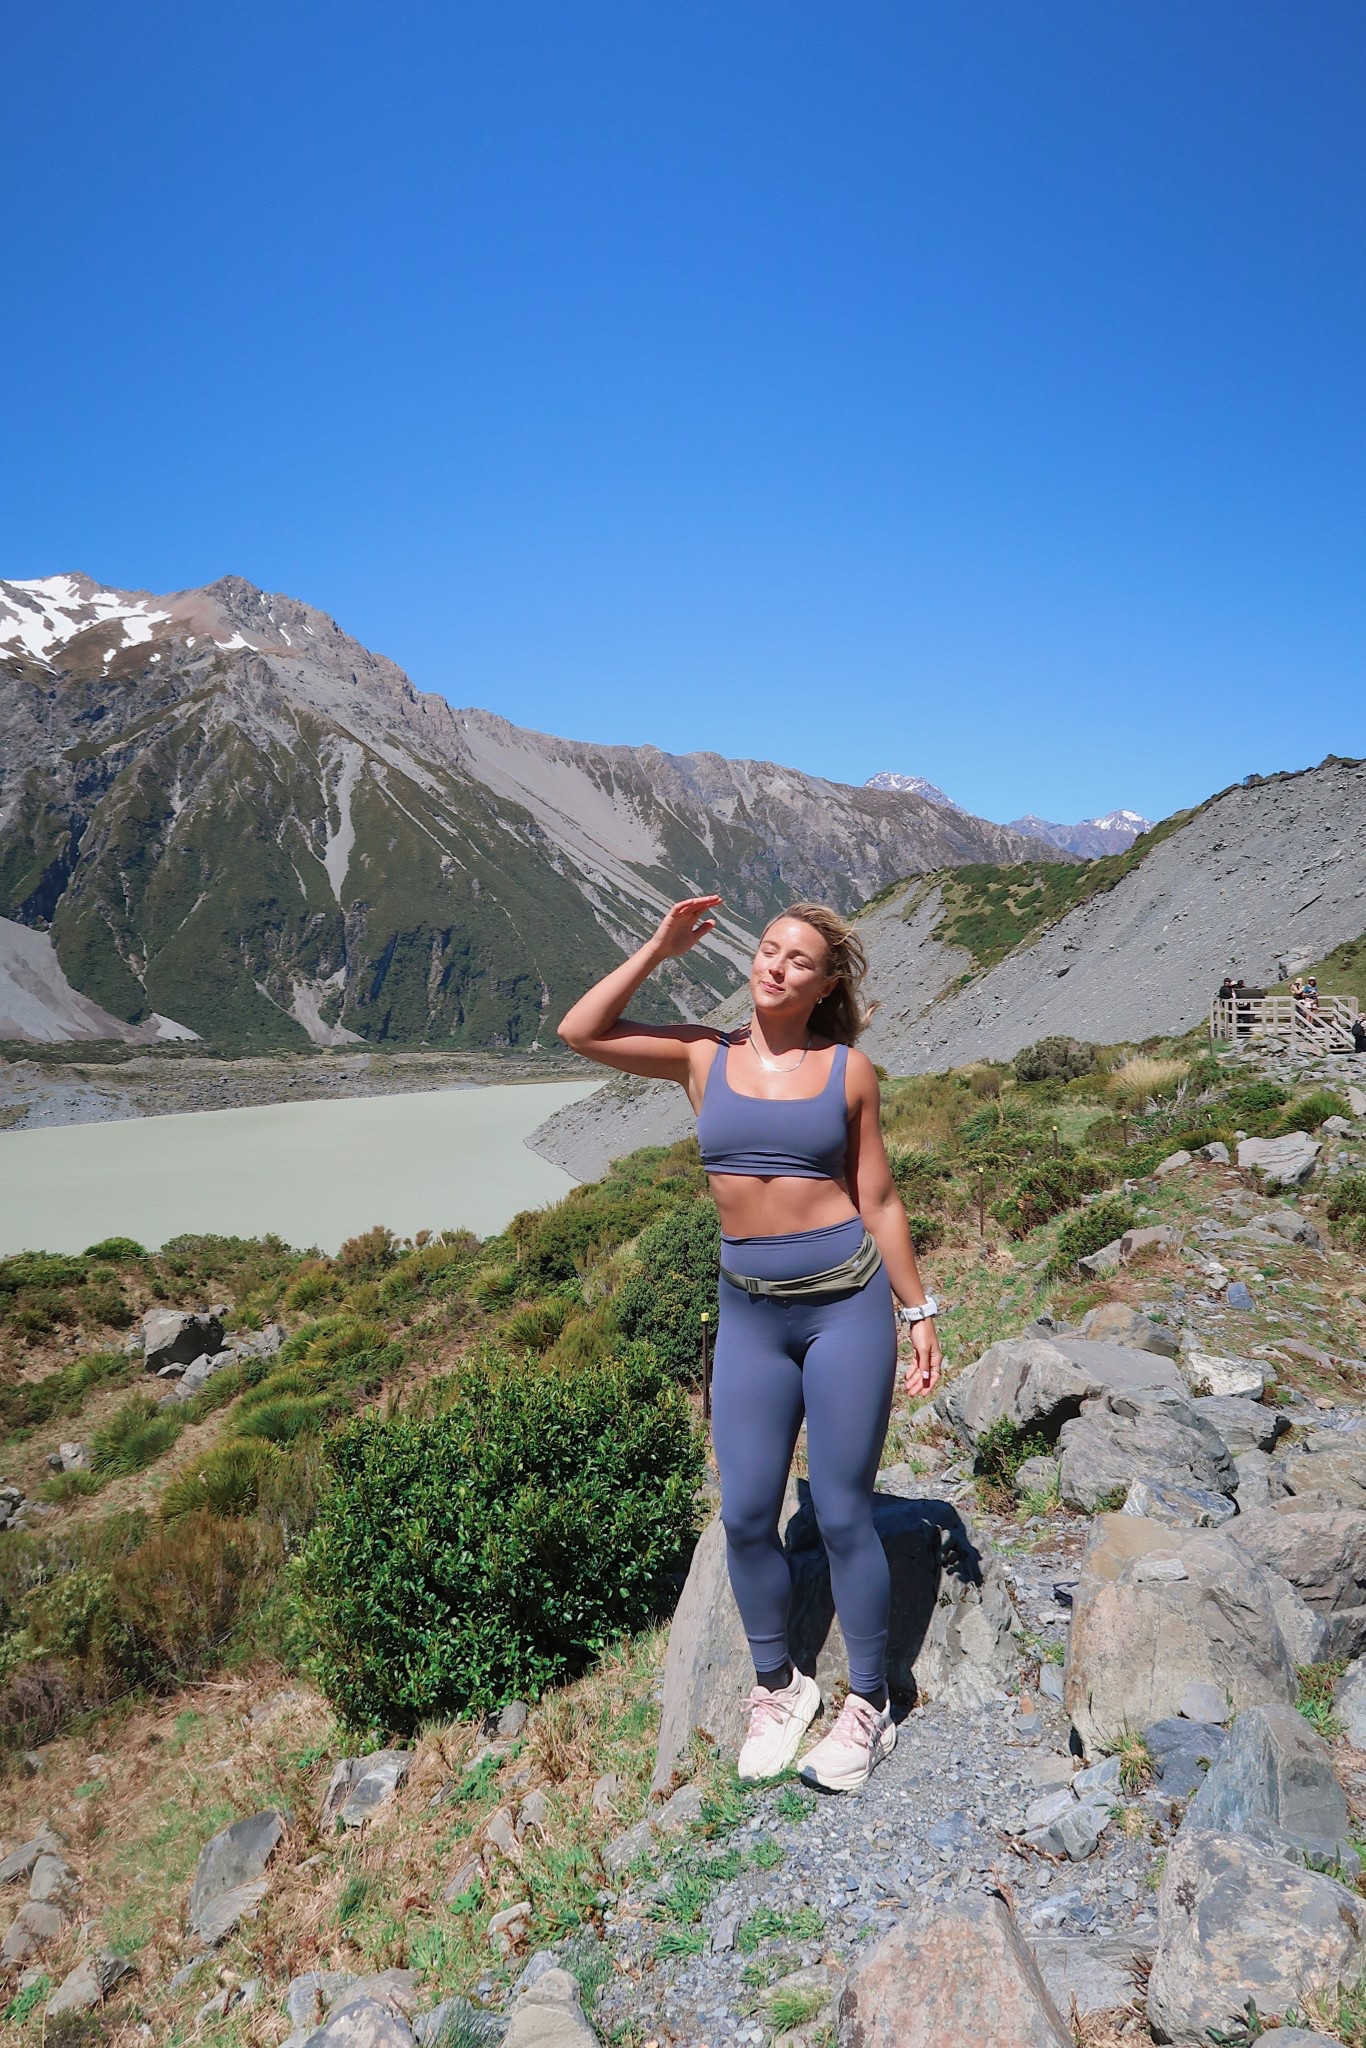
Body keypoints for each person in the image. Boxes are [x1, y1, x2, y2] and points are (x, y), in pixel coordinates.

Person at [558, 895, 941, 1793]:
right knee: (743, 1514)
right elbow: (582, 1031)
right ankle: (779, 1686)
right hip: (751, 1315)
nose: (775, 966)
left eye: (798, 959)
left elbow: (879, 1199)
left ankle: (870, 1704)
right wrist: (657, 946)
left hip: (845, 1307)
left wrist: (918, 1310)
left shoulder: (848, 1072)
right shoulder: (704, 1055)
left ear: (826, 984)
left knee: (841, 1512)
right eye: (768, 950)